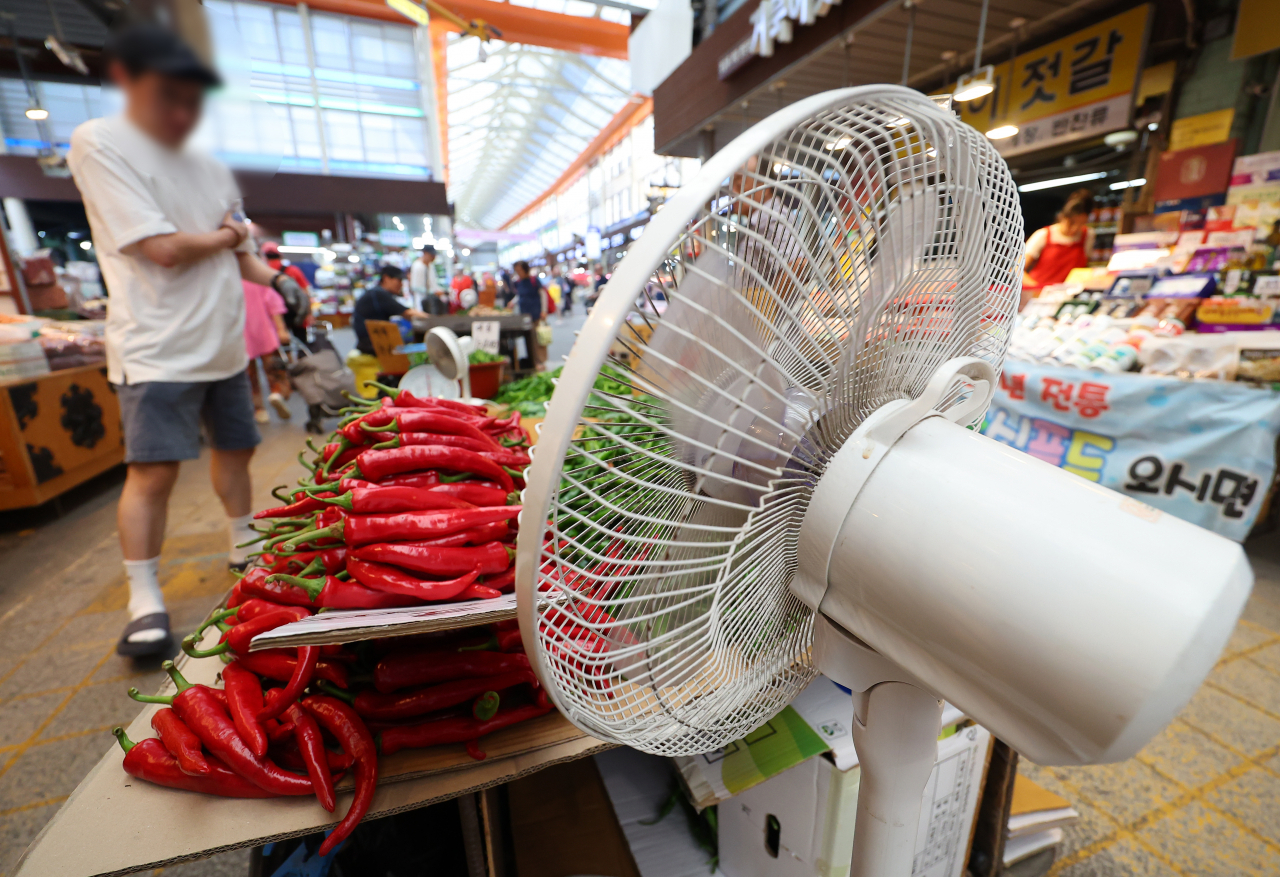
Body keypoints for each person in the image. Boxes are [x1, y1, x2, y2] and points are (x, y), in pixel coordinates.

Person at [67, 22, 304, 656]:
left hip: (225, 344)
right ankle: (143, 598)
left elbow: (243, 257)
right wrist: (228, 238)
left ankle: (243, 548)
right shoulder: (100, 143)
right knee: (152, 473)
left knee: (237, 451)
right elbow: (163, 249)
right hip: (157, 345)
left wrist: (280, 280)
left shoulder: (212, 166)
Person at [1022, 189, 1096, 305]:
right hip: (1039, 299)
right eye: (1072, 223)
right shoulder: (1043, 235)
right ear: (1063, 217)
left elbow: (1084, 269)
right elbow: (1016, 269)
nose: (1074, 229)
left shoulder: (1088, 236)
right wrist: (1037, 288)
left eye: (1080, 224)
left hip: (1068, 299)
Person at [243, 279, 292, 422]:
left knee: (249, 376)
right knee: (275, 368)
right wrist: (281, 329)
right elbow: (274, 305)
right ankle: (277, 394)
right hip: (265, 332)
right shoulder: (256, 278)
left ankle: (259, 409)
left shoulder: (226, 281)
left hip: (240, 337)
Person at [352, 265, 426, 356]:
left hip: (372, 343)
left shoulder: (376, 293)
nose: (401, 284)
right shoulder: (379, 294)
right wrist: (435, 320)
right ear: (386, 278)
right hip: (372, 346)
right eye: (399, 280)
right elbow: (408, 313)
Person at [261, 241, 311, 343]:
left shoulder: (259, 274)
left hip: (274, 318)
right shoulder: (293, 270)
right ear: (280, 256)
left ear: (264, 257)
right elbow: (305, 293)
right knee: (302, 344)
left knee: (281, 348)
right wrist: (309, 313)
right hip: (297, 314)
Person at [512, 261, 546, 369]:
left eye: (519, 270)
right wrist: (512, 302)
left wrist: (544, 311)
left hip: (536, 314)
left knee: (538, 340)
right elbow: (520, 296)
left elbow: (543, 295)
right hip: (524, 316)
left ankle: (540, 361)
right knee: (529, 340)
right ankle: (533, 362)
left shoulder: (534, 280)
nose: (518, 272)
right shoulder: (519, 282)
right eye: (516, 270)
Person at [409, 245, 443, 313]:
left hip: (431, 301)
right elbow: (415, 287)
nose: (434, 257)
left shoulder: (430, 265)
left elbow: (433, 283)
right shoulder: (417, 266)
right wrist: (433, 291)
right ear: (425, 253)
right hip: (421, 300)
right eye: (432, 255)